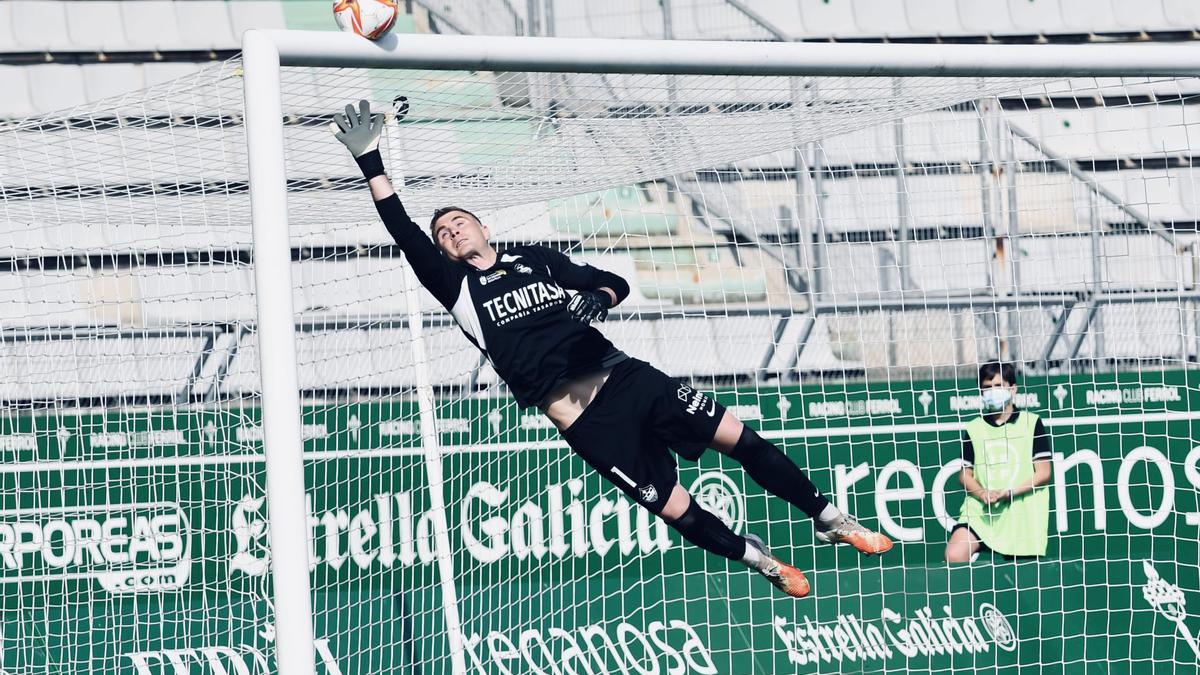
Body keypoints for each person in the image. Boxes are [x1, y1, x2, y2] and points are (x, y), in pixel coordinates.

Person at [331, 100, 892, 598]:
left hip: (626, 378)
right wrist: (370, 162)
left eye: (458, 222)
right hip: (587, 423)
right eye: (444, 234)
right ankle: (759, 559)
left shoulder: (537, 260)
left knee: (738, 437)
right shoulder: (457, 288)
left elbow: (613, 282)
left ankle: (828, 516)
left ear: (483, 226)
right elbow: (403, 230)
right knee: (675, 508)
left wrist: (598, 297)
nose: (451, 232)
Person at [945, 362, 1053, 563]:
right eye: (987, 387)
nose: (993, 391)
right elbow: (965, 475)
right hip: (983, 511)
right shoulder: (975, 427)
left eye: (998, 385)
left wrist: (1009, 492)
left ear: (1013, 388)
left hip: (1020, 513)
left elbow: (1044, 472)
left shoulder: (1031, 422)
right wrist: (982, 493)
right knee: (954, 555)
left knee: (1024, 584)